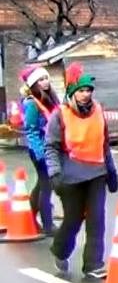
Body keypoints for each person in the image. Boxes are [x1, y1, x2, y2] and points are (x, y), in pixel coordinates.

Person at [45, 63, 118, 279]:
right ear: (72, 94)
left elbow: (104, 143)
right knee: (73, 219)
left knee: (97, 218)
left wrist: (111, 171)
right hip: (70, 175)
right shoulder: (60, 115)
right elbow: (51, 146)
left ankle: (93, 264)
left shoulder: (98, 111)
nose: (86, 95)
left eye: (88, 91)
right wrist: (55, 174)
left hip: (97, 172)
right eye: (81, 91)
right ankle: (60, 250)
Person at [21, 65, 59, 235]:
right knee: (46, 185)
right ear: (33, 84)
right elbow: (31, 130)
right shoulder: (31, 103)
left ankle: (29, 217)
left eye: (46, 78)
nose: (45, 82)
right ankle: (48, 224)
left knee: (41, 184)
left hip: (50, 148)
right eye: (40, 80)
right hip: (40, 150)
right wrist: (40, 154)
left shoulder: (50, 98)